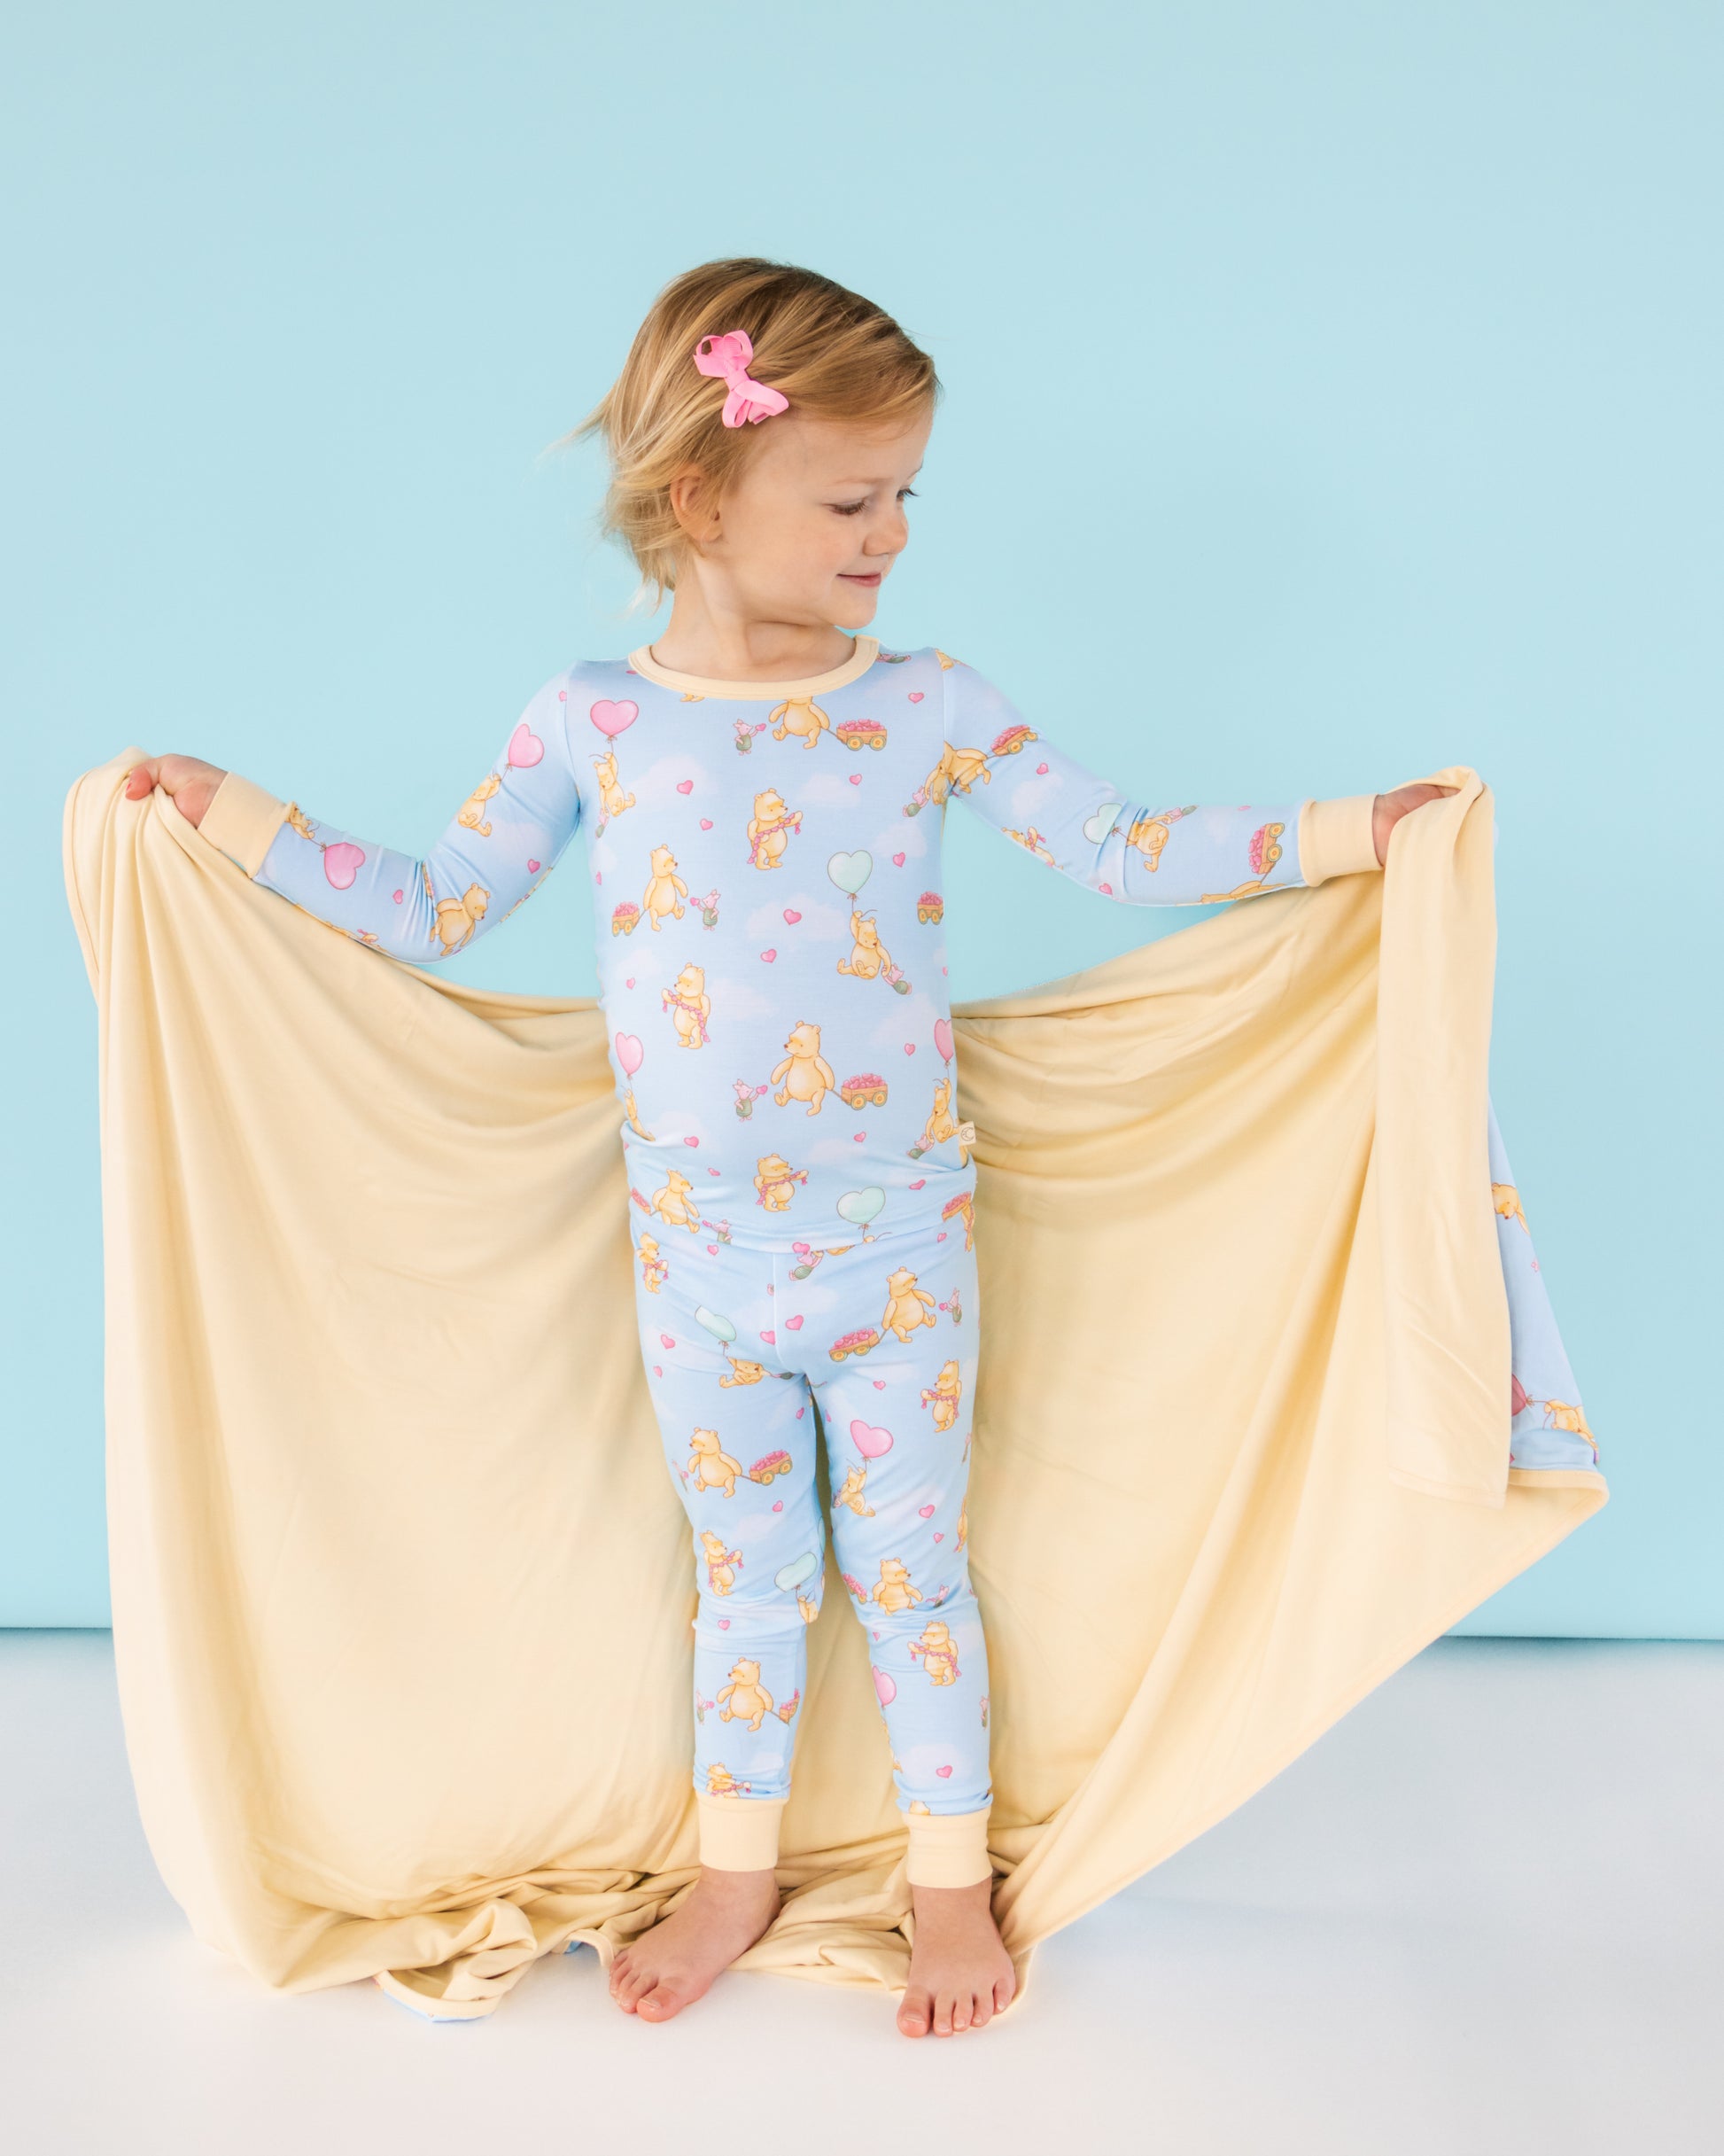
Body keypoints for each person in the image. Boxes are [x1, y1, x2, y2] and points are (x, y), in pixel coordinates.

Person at [122, 256, 1454, 2039]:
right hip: (696, 1265)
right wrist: (236, 817)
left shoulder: (926, 705)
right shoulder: (594, 716)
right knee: (745, 1582)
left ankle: (947, 1879)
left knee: (913, 1572)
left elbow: (1121, 845)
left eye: (905, 495)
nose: (890, 535)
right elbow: (437, 903)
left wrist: (1353, 829)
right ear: (700, 496)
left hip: (895, 1252)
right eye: (849, 499)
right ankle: (733, 1865)